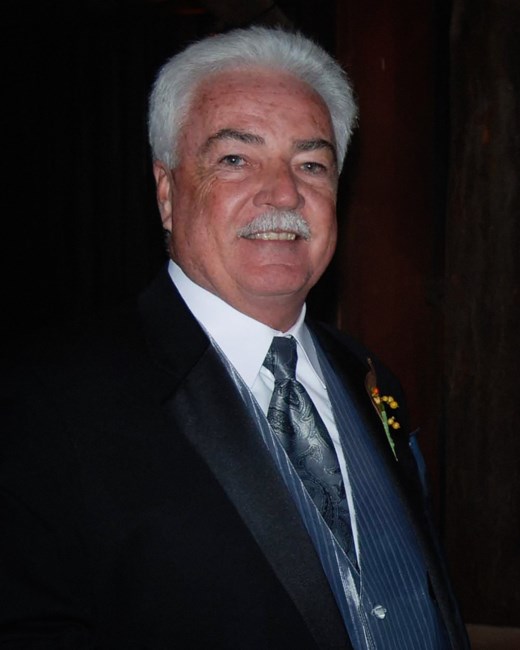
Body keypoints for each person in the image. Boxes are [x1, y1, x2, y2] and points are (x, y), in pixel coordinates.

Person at [1, 27, 469, 649]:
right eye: (236, 160)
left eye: (311, 164)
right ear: (167, 193)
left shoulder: (368, 375)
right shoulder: (49, 404)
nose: (285, 193)